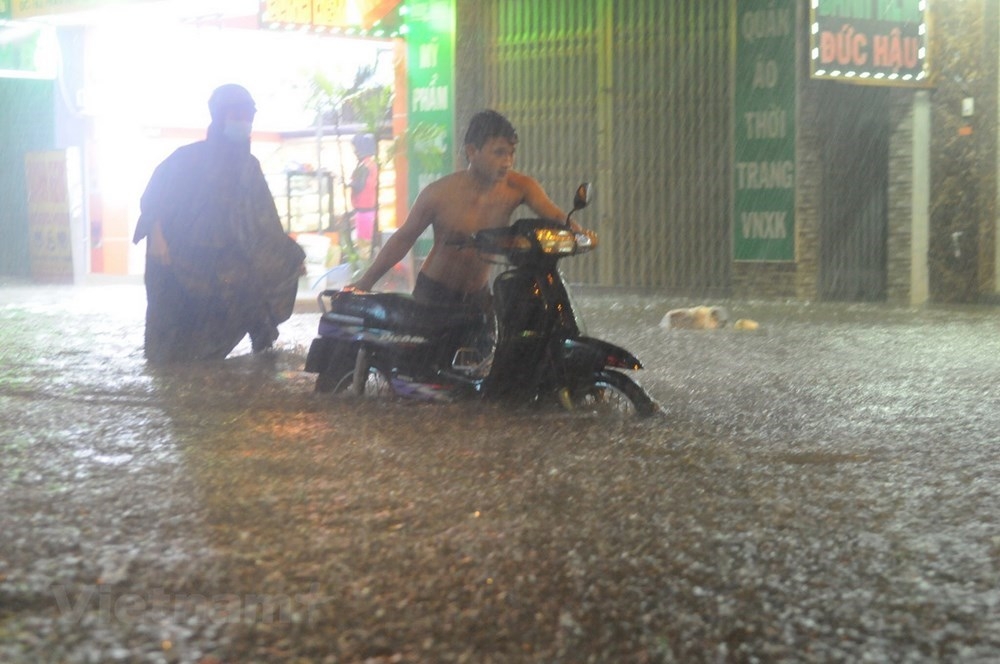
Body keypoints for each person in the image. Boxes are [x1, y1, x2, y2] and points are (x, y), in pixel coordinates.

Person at [133, 83, 306, 363]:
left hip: (229, 262)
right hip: (179, 261)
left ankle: (260, 358)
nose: (243, 121)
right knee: (173, 344)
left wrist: (286, 256)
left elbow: (265, 221)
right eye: (236, 114)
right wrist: (157, 236)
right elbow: (154, 201)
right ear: (219, 115)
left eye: (248, 115)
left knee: (250, 299)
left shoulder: (249, 167)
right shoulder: (186, 159)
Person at [350, 109, 567, 308]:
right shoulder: (439, 194)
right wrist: (365, 283)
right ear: (472, 151)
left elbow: (555, 215)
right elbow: (404, 238)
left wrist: (580, 234)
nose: (507, 162)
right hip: (434, 294)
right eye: (499, 153)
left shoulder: (519, 187)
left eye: (511, 153)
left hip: (478, 296)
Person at [348, 133, 379, 249]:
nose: (354, 152)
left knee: (364, 245)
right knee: (365, 243)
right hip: (367, 210)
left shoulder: (365, 165)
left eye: (355, 148)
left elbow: (359, 185)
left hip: (364, 211)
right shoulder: (370, 164)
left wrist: (348, 183)